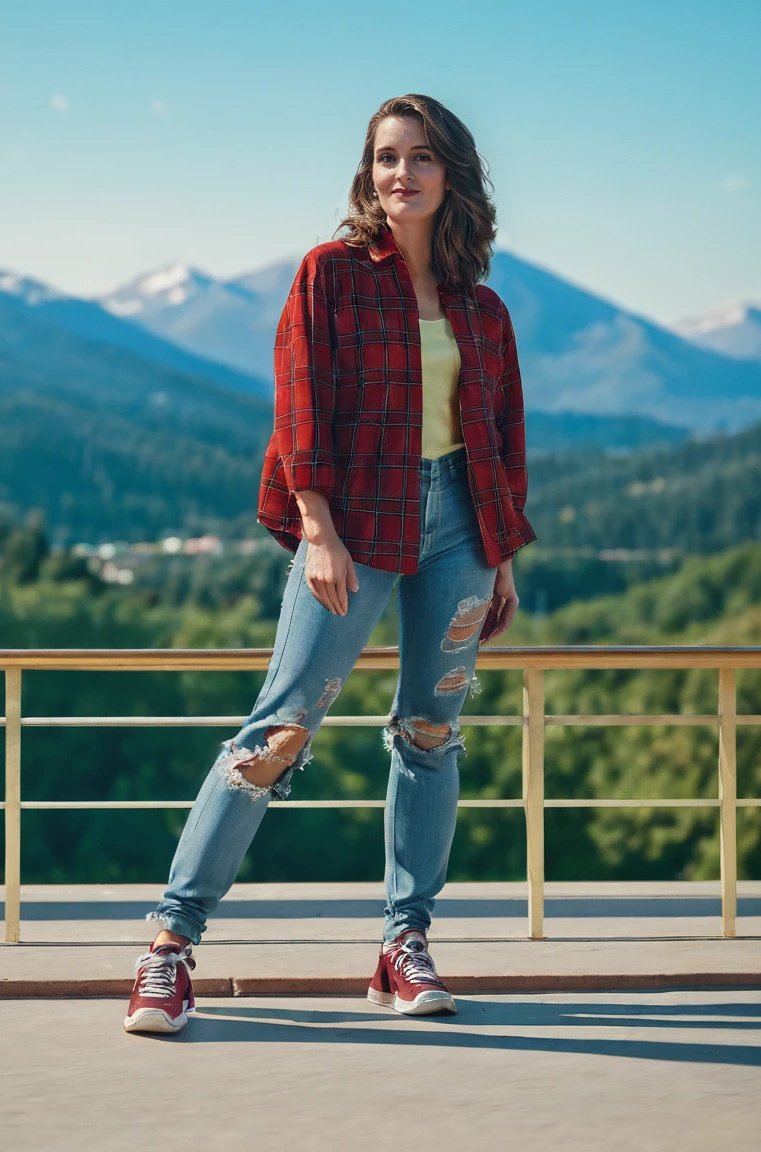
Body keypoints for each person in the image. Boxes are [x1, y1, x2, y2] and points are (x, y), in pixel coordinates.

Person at [123, 93, 536, 1034]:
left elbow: (503, 436)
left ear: (453, 174)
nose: (403, 174)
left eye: (423, 157)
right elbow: (299, 402)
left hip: (463, 534)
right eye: (388, 157)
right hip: (352, 525)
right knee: (279, 729)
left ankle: (404, 944)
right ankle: (167, 950)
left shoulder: (484, 307)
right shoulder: (332, 275)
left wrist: (500, 552)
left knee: (431, 735)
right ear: (369, 172)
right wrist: (316, 526)